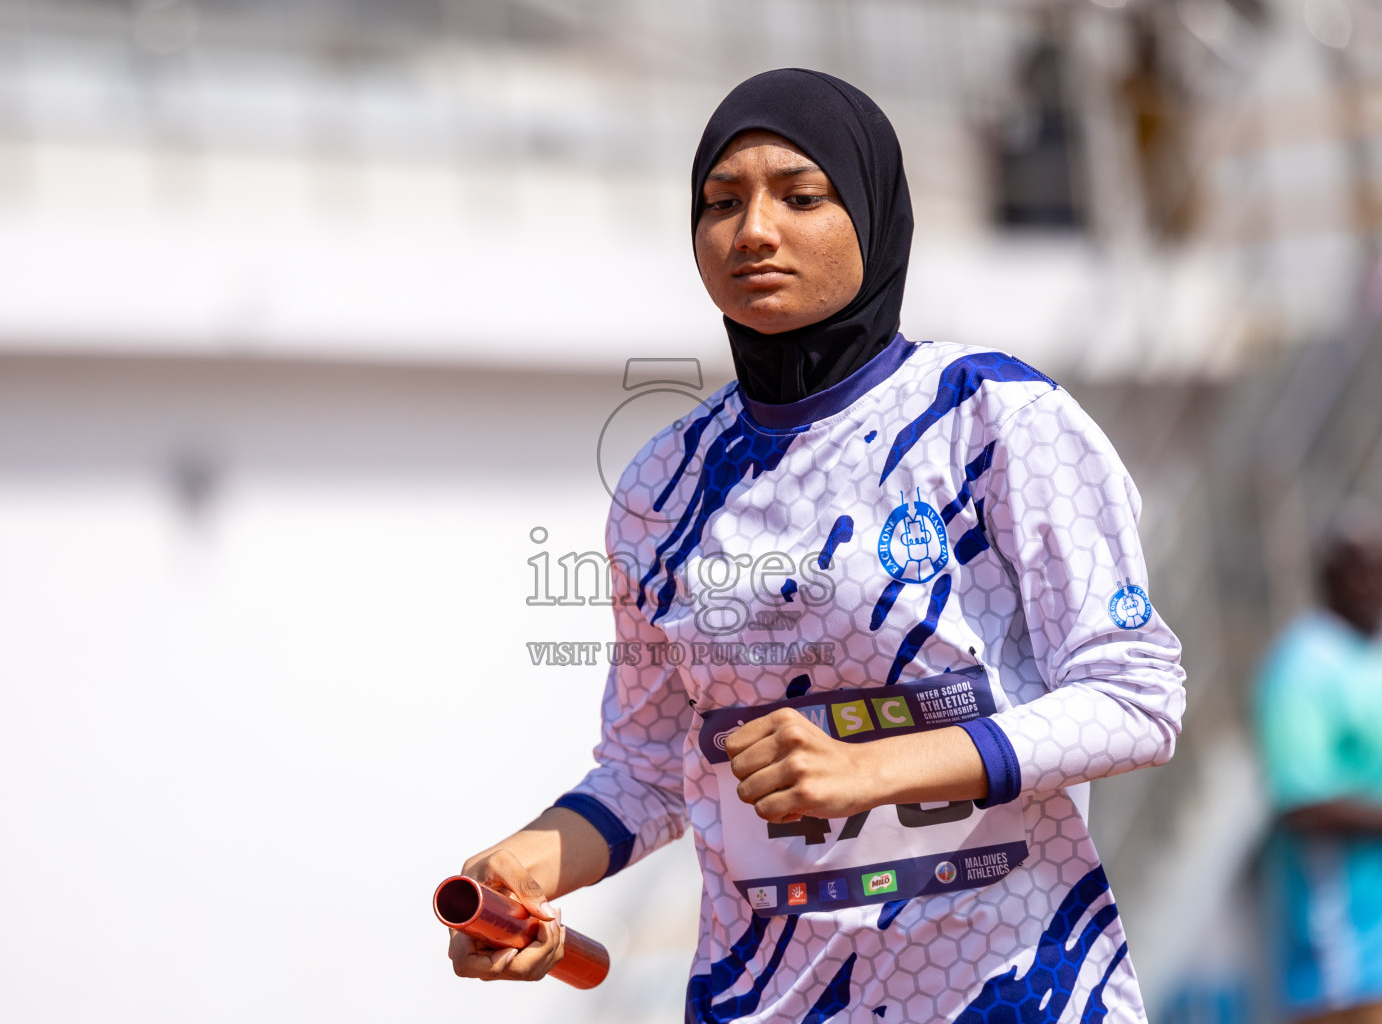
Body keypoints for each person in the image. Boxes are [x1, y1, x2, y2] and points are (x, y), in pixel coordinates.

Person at [447, 68, 1186, 1023]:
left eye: (801, 197)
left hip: (1016, 997)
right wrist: (524, 867)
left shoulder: (992, 418)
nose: (754, 231)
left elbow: (1137, 698)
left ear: (874, 214)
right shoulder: (659, 486)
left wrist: (876, 766)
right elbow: (651, 766)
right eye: (722, 202)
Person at [1255, 519, 1382, 1024]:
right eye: (1359, 573)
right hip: (1354, 964)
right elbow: (1301, 804)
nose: (1375, 586)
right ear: (1326, 578)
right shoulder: (1303, 666)